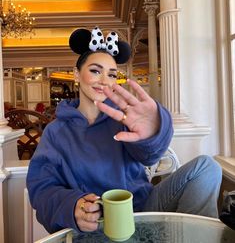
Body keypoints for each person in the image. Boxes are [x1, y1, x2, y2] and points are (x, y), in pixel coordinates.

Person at [26, 26, 222, 234]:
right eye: (95, 71)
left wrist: (154, 131)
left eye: (111, 75)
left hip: (143, 211)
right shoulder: (56, 132)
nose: (104, 81)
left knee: (207, 167)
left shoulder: (124, 118)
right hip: (96, 225)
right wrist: (72, 206)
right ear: (76, 74)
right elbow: (41, 188)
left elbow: (149, 156)